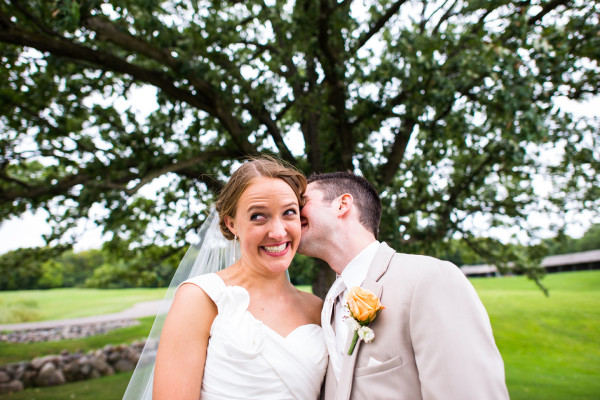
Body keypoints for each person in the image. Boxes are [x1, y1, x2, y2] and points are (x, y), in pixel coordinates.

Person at [123, 157, 327, 400]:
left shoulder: (318, 309)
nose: (277, 232)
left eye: (289, 213)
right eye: (258, 216)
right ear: (232, 224)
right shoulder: (200, 298)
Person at [297, 171, 509, 400]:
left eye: (302, 202)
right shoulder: (329, 304)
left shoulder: (429, 279)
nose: (290, 213)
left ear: (342, 204)